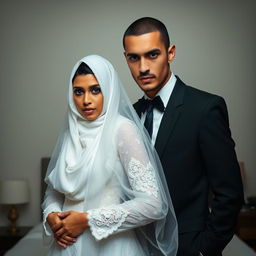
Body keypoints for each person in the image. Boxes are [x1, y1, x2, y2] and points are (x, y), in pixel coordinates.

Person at [123, 17, 244, 256]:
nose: (143, 67)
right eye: (134, 58)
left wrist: (204, 250)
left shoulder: (205, 108)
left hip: (188, 247)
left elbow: (230, 193)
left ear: (170, 53)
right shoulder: (129, 118)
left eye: (152, 55)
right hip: (136, 247)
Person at [42, 55, 178, 256]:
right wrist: (51, 215)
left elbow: (153, 205)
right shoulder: (71, 130)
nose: (86, 100)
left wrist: (87, 220)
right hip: (67, 246)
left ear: (109, 90)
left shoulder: (123, 130)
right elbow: (55, 190)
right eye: (78, 92)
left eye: (95, 90)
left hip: (111, 247)